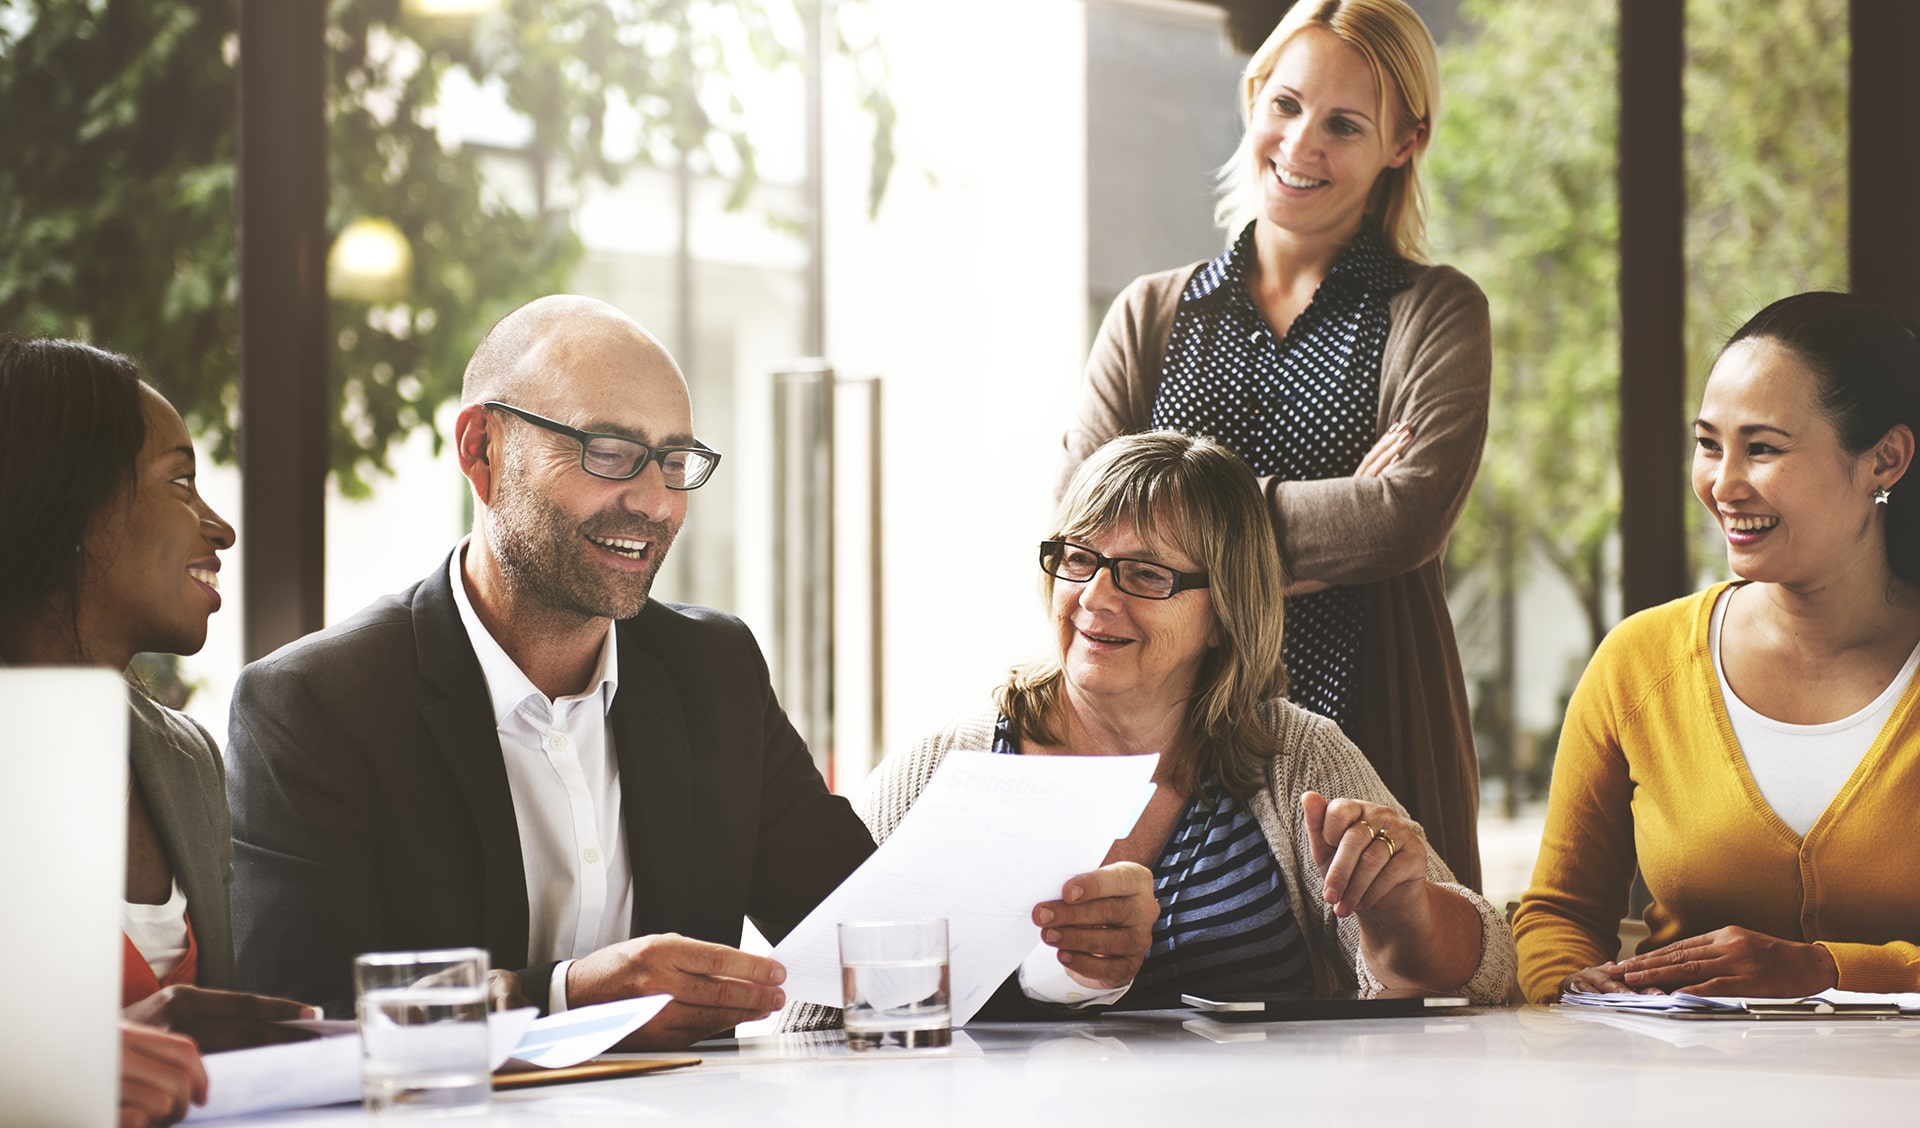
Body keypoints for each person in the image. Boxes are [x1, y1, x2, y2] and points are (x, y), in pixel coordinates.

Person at [225, 295, 1155, 1049]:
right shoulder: (317, 703)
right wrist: (559, 995)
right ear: (482, 451)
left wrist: (1068, 958)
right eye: (610, 453)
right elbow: (293, 1016)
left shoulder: (713, 669)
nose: (656, 502)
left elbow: (869, 937)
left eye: (675, 461)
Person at [828, 432, 1512, 1016]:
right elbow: (815, 1016)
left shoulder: (1295, 754)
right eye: (1077, 558)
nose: (1095, 598)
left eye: (1147, 575)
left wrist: (1407, 914)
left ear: (1223, 611)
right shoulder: (945, 765)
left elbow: (1493, 978)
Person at [1058, 0, 1490, 889]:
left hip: (1371, 715)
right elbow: (1083, 518)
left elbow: (1401, 521)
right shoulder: (1150, 313)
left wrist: (1182, 555)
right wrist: (1318, 533)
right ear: (1253, 97)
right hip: (1163, 731)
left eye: (1343, 124)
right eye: (1286, 106)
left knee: (1385, 991)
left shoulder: (1435, 312)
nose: (1301, 146)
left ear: (1404, 141)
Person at [1514, 293, 1920, 1002]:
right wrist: (1576, 999)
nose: (1723, 484)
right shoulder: (1638, 662)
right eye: (1709, 445)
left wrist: (1828, 972)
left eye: (1762, 449)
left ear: (1884, 459)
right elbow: (1560, 913)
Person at [0, 337, 313, 1128]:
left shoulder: (187, 758)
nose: (220, 529)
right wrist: (39, 1074)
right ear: (71, 506)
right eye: (180, 483)